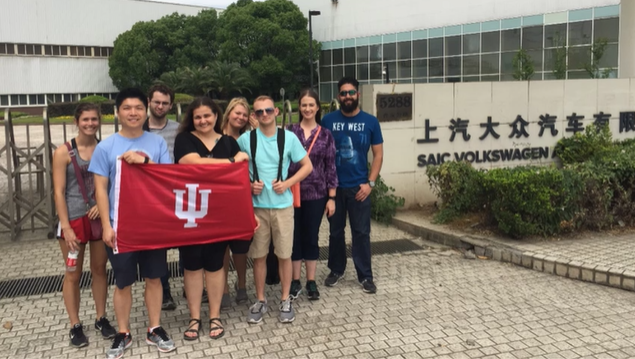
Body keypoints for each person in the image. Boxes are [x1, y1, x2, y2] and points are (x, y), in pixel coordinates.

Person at [89, 88, 176, 359]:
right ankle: (123, 333)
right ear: (118, 112)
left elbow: (168, 178)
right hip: (121, 226)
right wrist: (106, 225)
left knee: (154, 278)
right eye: (127, 108)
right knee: (123, 282)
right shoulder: (106, 146)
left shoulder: (157, 143)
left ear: (146, 109)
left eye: (138, 108)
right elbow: (101, 190)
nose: (133, 113)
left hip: (151, 224)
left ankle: (154, 327)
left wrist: (144, 161)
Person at [173, 96, 254, 340]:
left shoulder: (229, 141)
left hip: (220, 214)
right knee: (192, 265)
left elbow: (241, 174)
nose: (202, 120)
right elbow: (192, 164)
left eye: (207, 116)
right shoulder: (184, 140)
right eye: (197, 117)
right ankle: (195, 317)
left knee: (216, 264)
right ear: (191, 119)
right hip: (191, 214)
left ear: (216, 116)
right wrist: (229, 162)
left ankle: (215, 315)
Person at [237, 96, 313, 324]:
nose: (264, 115)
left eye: (268, 110)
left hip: (282, 207)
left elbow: (307, 166)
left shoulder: (288, 138)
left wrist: (288, 183)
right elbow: (233, 169)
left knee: (284, 255)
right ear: (254, 115)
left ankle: (284, 298)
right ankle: (260, 299)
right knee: (259, 256)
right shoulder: (245, 140)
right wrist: (249, 185)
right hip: (257, 208)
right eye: (259, 112)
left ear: (276, 111)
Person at [52, 103, 116, 348]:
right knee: (72, 274)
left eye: (94, 120)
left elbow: (110, 184)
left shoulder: (104, 149)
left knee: (99, 270)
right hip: (73, 222)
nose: (90, 124)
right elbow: (58, 192)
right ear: (76, 122)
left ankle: (101, 317)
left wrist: (102, 205)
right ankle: (75, 324)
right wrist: (65, 226)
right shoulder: (64, 153)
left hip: (98, 221)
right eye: (85, 120)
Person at [321, 77, 384, 294]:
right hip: (334, 188)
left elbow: (378, 155)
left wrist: (370, 184)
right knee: (335, 232)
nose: (347, 96)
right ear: (339, 96)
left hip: (360, 188)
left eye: (351, 92)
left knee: (361, 233)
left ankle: (365, 275)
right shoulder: (328, 121)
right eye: (343, 93)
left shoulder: (370, 122)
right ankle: (336, 270)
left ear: (357, 94)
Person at [287, 89, 338, 301]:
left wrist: (332, 197)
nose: (307, 109)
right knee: (293, 237)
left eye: (311, 105)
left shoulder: (326, 135)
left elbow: (330, 167)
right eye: (304, 105)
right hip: (290, 192)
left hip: (316, 194)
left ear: (318, 108)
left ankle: (311, 280)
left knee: (311, 236)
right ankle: (294, 280)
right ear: (299, 107)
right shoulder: (290, 132)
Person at [142, 84, 181, 311]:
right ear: (149, 101)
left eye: (165, 103)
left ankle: (190, 284)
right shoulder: (139, 130)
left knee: (186, 242)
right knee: (159, 248)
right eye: (156, 101)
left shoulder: (178, 129)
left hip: (176, 194)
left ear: (170, 105)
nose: (160, 106)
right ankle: (164, 290)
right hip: (150, 197)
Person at [219, 97, 254, 308]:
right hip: (219, 199)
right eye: (237, 113)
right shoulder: (214, 136)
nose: (240, 117)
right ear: (228, 112)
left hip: (242, 198)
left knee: (241, 248)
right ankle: (221, 288)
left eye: (244, 114)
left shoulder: (248, 139)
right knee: (221, 248)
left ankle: (241, 285)